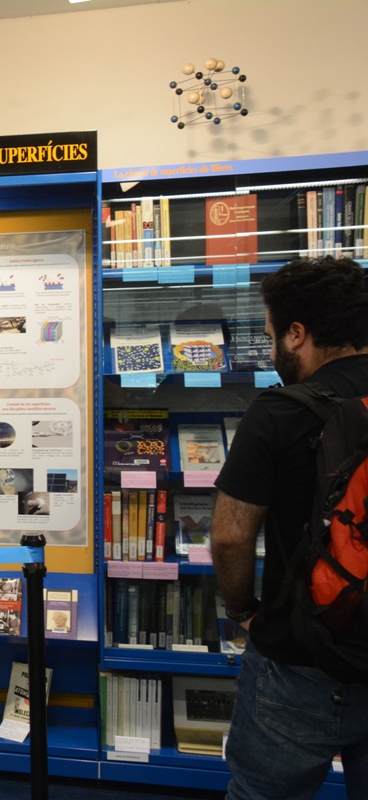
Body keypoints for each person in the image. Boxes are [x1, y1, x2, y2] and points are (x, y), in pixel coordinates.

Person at [212, 257, 368, 800]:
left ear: (296, 334)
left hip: (300, 654)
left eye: (270, 334)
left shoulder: (278, 412)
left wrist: (244, 611)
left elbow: (230, 536)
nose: (271, 346)